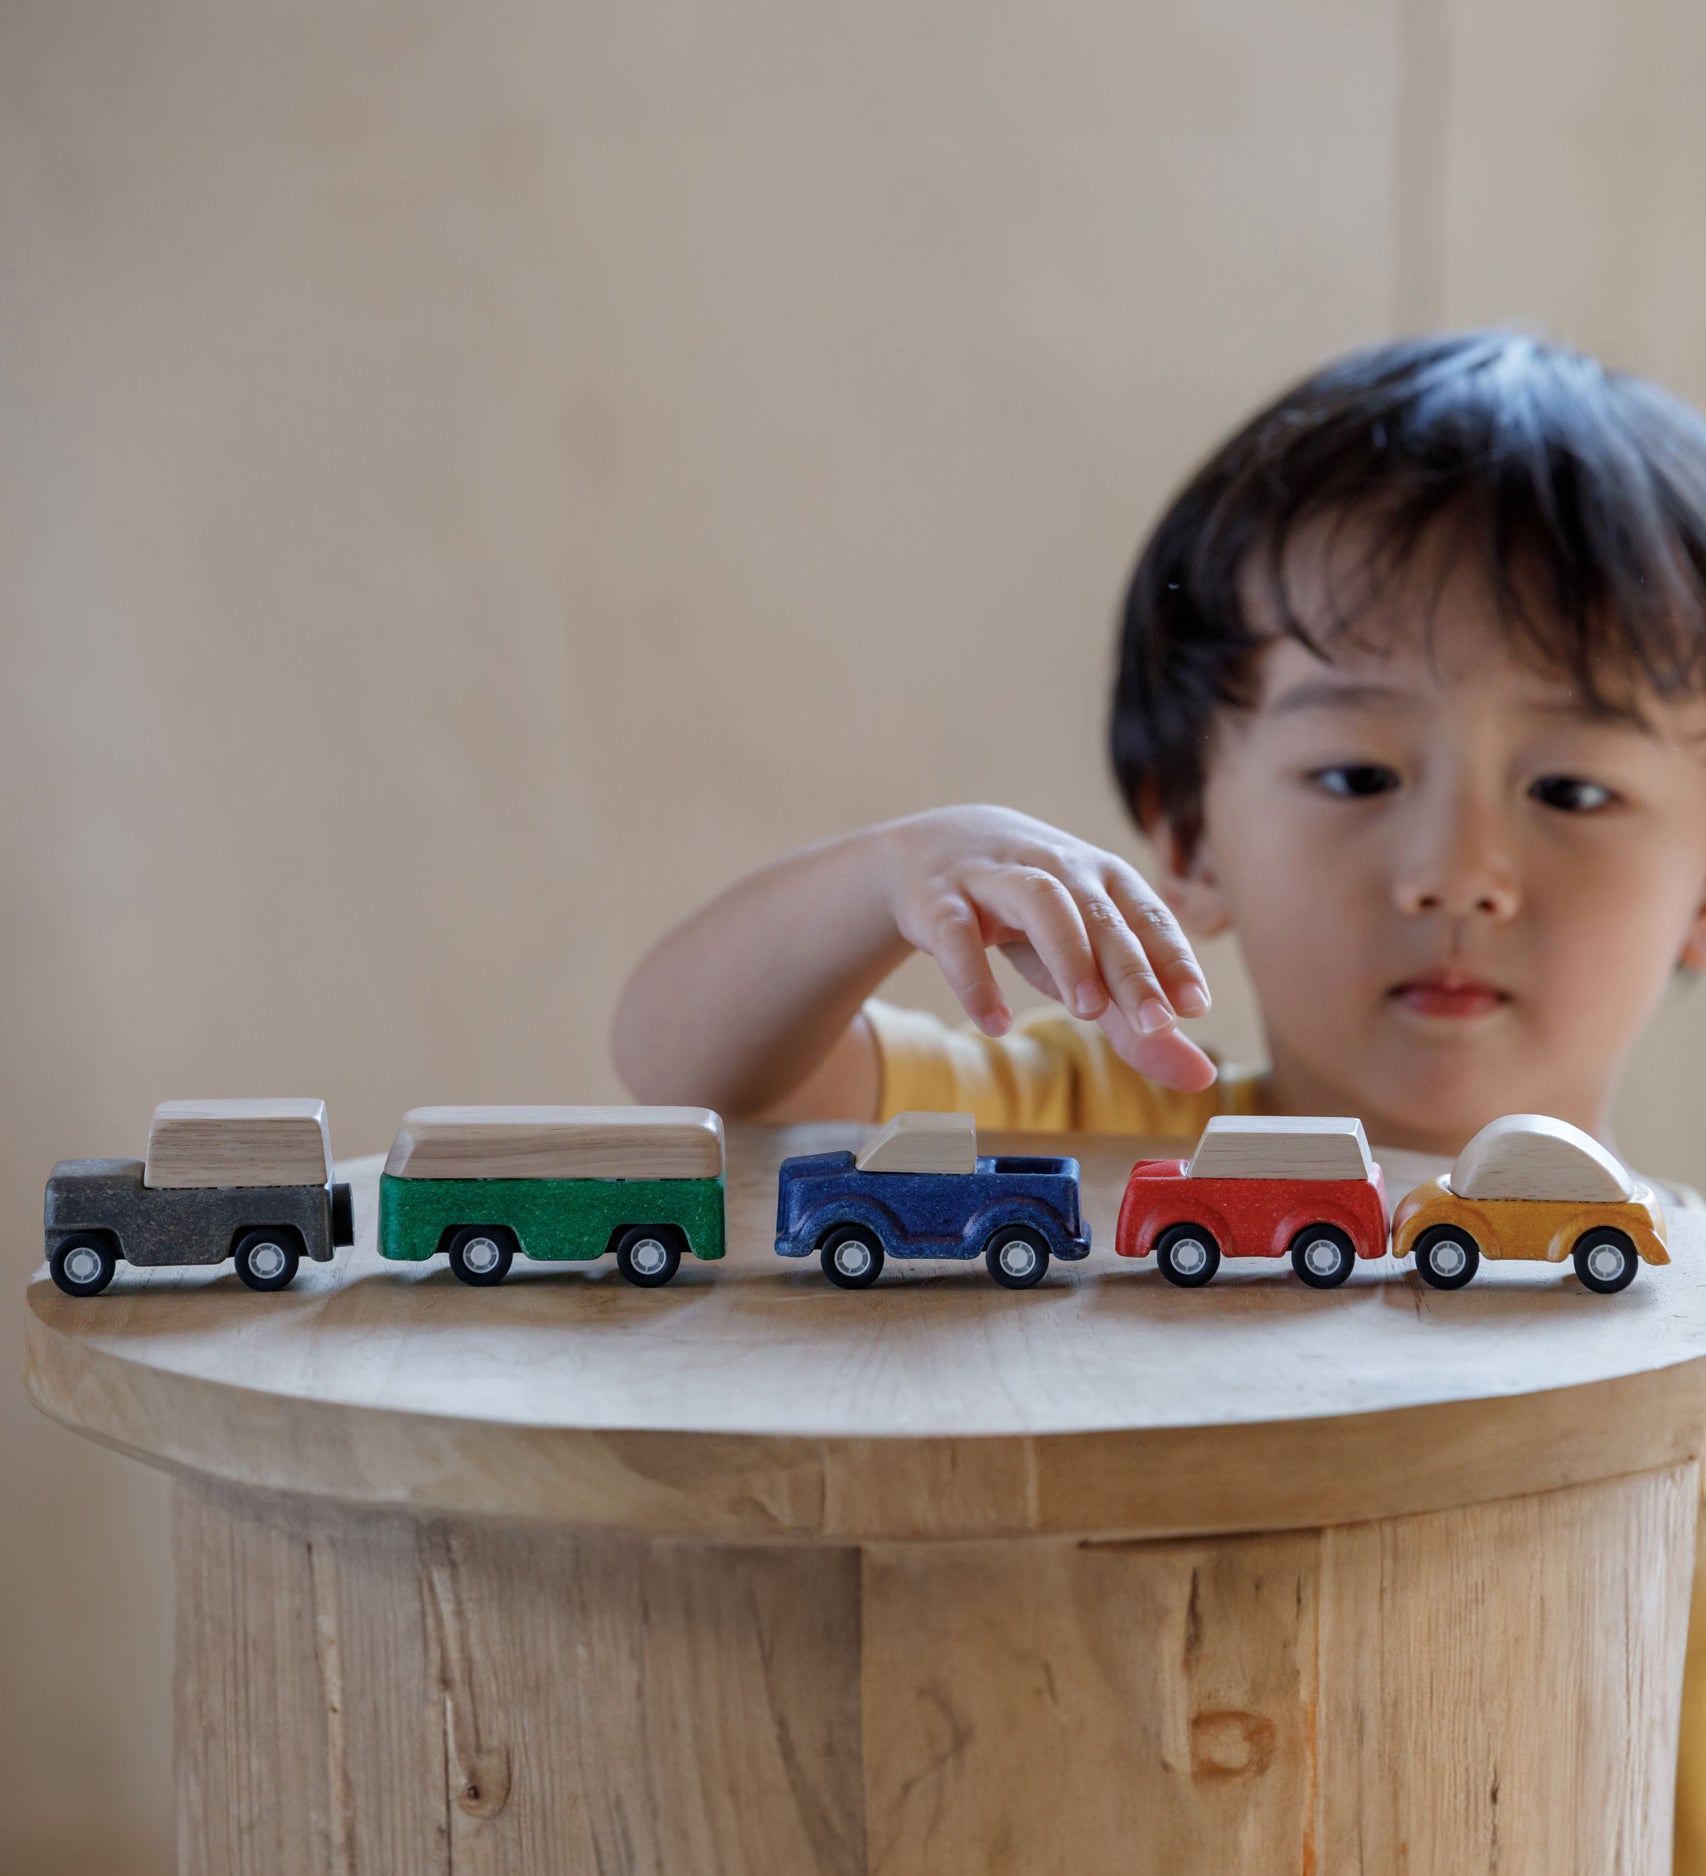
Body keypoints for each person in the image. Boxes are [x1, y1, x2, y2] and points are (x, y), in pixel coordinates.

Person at [613, 333, 1706, 1870]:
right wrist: (884, 877)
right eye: (1356, 775)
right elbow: (699, 1074)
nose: (1456, 869)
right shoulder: (1098, 1141)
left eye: (1570, 791)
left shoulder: (1680, 1314)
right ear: (1185, 828)